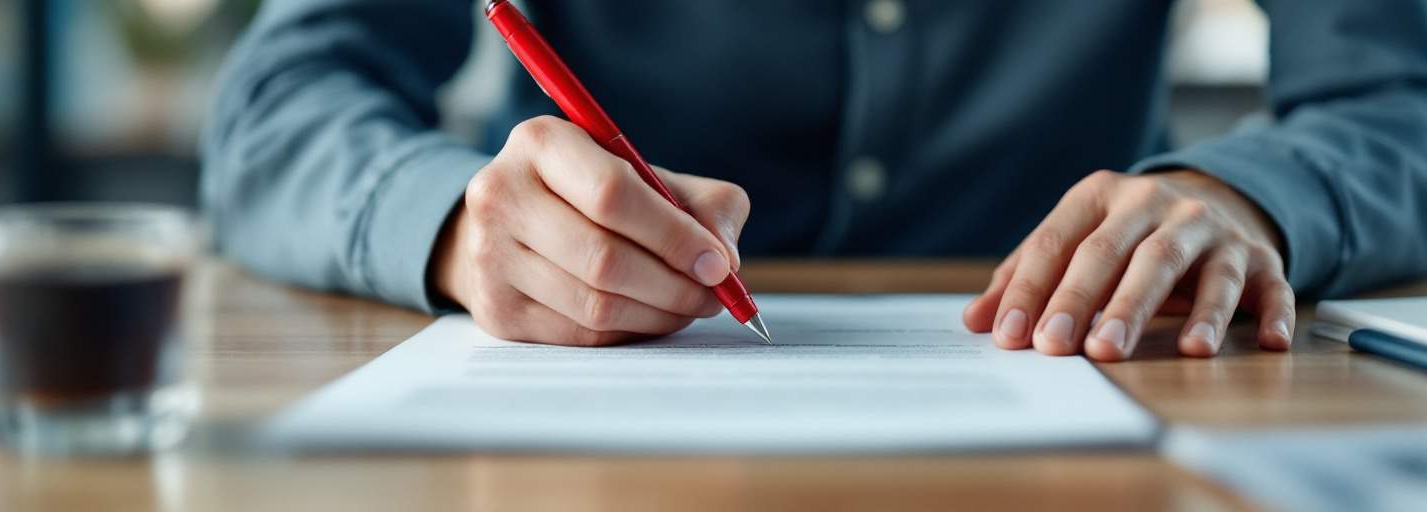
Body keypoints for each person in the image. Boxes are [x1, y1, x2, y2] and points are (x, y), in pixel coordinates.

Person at [202, 0, 1427, 361]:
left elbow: (1394, 98)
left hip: (1118, 392)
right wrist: (455, 227)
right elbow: (279, 106)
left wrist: (1246, 194)